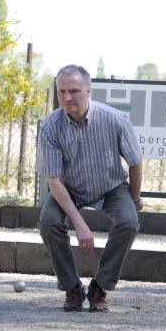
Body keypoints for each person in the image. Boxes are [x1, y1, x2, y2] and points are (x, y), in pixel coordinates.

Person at [37, 64, 143, 313]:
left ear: (88, 91)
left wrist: (135, 199)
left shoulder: (115, 119)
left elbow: (135, 162)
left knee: (129, 223)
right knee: (48, 223)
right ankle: (72, 288)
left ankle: (100, 287)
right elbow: (54, 181)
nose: (67, 98)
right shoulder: (51, 126)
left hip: (111, 186)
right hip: (69, 187)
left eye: (74, 91)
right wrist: (80, 224)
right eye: (61, 91)